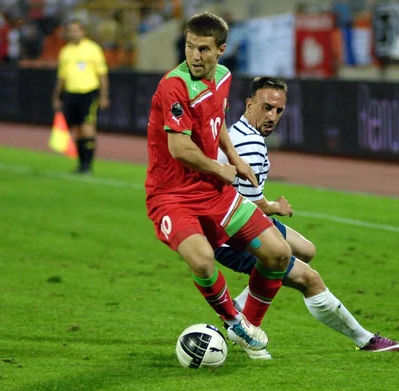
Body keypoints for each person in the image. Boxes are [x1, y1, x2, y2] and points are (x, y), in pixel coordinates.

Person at [216, 77, 399, 359]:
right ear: (250, 104)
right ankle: (365, 339)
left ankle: (237, 308)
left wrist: (269, 207)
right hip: (232, 235)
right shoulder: (248, 145)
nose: (272, 116)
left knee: (307, 250)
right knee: (309, 279)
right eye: (267, 107)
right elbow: (246, 206)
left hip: (239, 219)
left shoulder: (244, 134)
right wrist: (273, 206)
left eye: (279, 111)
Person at [145, 13, 292, 352]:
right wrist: (219, 167)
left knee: (278, 254)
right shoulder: (174, 86)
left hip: (213, 192)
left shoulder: (223, 78)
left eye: (203, 49)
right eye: (189, 47)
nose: (194, 56)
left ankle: (249, 325)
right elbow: (179, 148)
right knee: (202, 261)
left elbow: (217, 122)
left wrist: (235, 159)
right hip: (171, 196)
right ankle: (234, 322)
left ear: (221, 50)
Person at [52, 19, 110, 175]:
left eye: (76, 30)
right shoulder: (65, 51)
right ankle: (80, 164)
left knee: (87, 129)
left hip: (88, 93)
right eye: (71, 30)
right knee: (77, 130)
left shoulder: (93, 49)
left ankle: (88, 165)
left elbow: (102, 74)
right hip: (71, 94)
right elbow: (61, 77)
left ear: (83, 31)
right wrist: (57, 96)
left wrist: (104, 96)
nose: (73, 33)